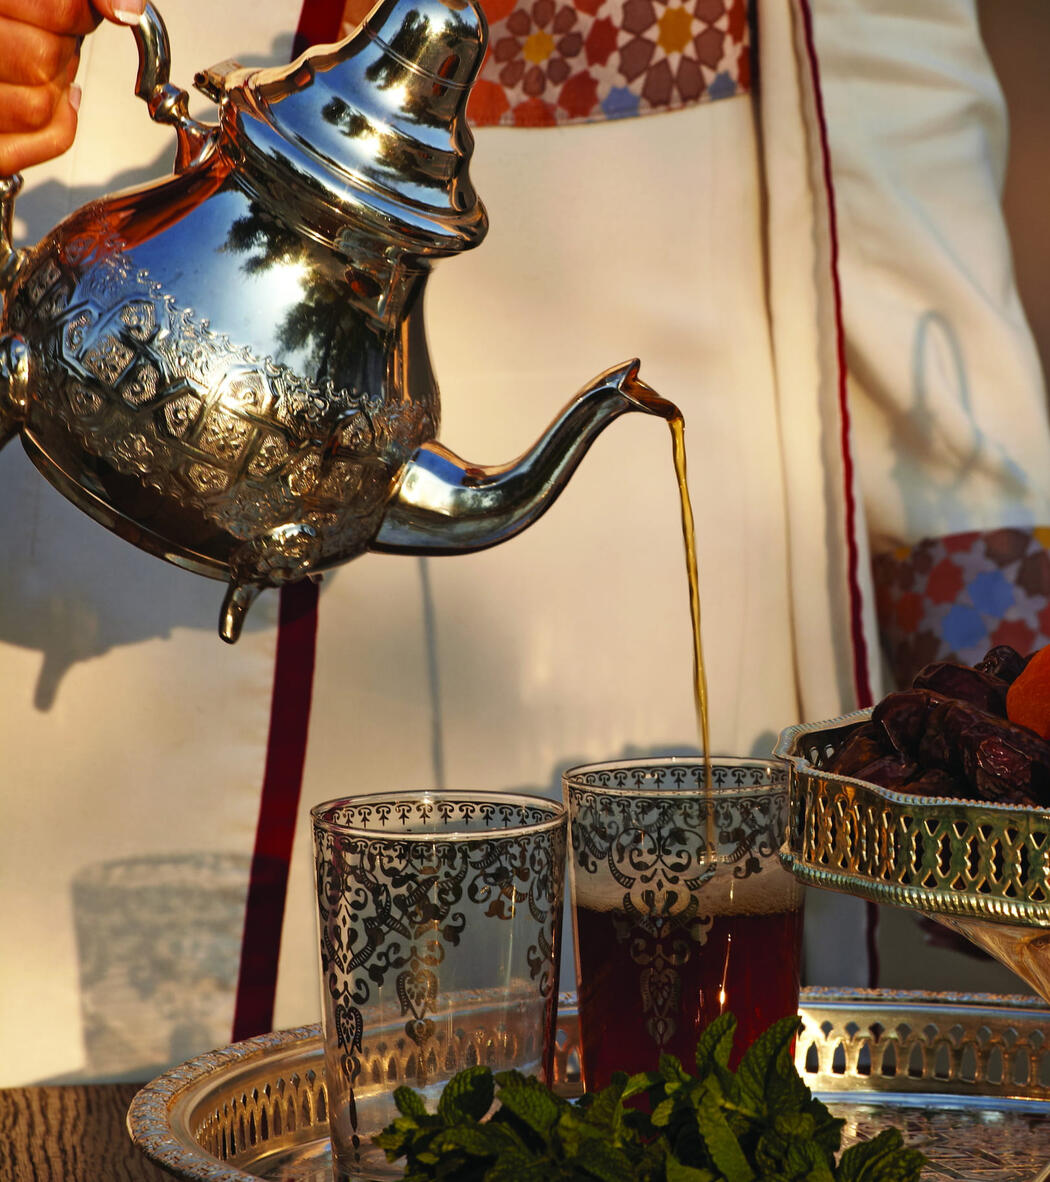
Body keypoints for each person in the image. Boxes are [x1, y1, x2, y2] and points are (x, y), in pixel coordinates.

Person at [1, 0, 1047, 1086]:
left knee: (670, 1080)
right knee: (107, 1061)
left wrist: (1004, 742)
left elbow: (907, 131)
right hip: (159, 264)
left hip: (685, 244)